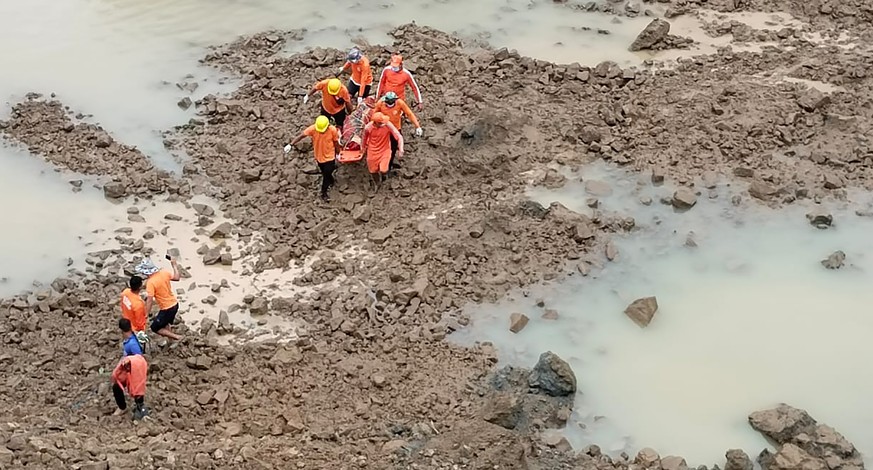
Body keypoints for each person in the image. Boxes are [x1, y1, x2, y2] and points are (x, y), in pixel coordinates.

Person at [284, 115, 342, 202]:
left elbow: (336, 142)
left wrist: (338, 153)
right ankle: (331, 180)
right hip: (319, 156)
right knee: (325, 171)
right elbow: (301, 136)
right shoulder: (313, 129)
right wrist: (290, 144)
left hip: (329, 156)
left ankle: (324, 192)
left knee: (326, 174)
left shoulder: (332, 130)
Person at [372, 91, 423, 171]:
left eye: (392, 102)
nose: (390, 104)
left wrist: (417, 126)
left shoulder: (400, 103)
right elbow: (374, 116)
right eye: (388, 103)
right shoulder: (380, 104)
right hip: (384, 129)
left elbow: (409, 113)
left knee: (393, 148)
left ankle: (389, 165)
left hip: (395, 128)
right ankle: (380, 163)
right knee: (382, 147)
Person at [136, 258, 183, 341]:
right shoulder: (163, 272)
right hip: (175, 304)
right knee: (166, 323)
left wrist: (146, 314)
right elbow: (177, 278)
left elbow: (149, 300)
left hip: (166, 308)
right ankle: (170, 341)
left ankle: (177, 337)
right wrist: (174, 265)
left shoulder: (150, 282)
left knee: (155, 327)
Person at [361, 112, 404, 192]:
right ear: (375, 123)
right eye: (381, 123)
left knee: (384, 169)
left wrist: (401, 148)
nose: (383, 123)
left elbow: (398, 136)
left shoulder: (388, 125)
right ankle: (377, 183)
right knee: (373, 170)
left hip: (385, 150)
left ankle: (384, 176)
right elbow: (364, 139)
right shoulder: (368, 128)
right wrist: (362, 148)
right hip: (372, 150)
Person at [111, 354, 149, 419]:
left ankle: (141, 409)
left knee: (138, 392)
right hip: (129, 367)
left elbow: (137, 386)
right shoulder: (120, 371)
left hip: (137, 367)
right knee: (116, 387)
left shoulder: (137, 369)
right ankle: (122, 407)